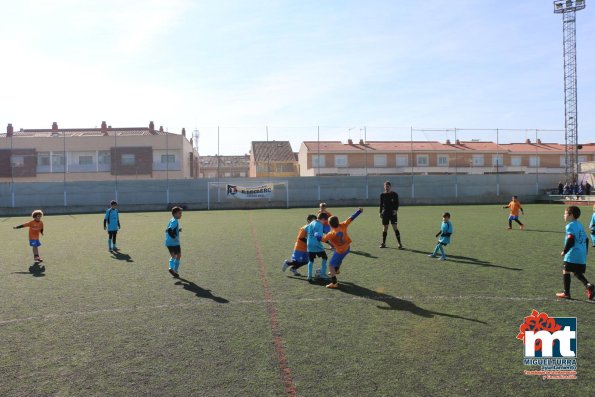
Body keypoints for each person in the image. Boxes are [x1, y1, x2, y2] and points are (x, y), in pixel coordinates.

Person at [556, 206, 594, 300]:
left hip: (572, 253)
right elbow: (586, 239)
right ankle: (589, 286)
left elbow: (571, 239)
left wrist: (565, 251)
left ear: (571, 215)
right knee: (576, 271)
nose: (563, 215)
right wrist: (585, 252)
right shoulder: (579, 224)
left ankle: (567, 293)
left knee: (566, 270)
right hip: (581, 252)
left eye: (565, 213)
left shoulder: (570, 226)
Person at [321, 208, 363, 289]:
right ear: (338, 221)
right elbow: (351, 218)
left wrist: (317, 235)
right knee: (339, 259)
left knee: (330, 265)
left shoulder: (331, 233)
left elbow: (323, 239)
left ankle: (334, 283)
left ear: (329, 224)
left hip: (340, 251)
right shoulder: (343, 225)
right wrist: (359, 211)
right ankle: (337, 269)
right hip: (347, 248)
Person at [305, 212, 330, 282]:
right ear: (322, 219)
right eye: (325, 220)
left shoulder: (312, 222)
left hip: (309, 243)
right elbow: (318, 237)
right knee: (325, 257)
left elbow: (307, 230)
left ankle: (309, 276)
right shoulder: (320, 224)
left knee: (311, 260)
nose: (325, 222)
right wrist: (326, 240)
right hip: (316, 244)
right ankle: (322, 274)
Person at [379, 181, 403, 249]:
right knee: (385, 228)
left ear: (390, 187)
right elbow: (381, 204)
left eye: (388, 186)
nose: (386, 188)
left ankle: (399, 243)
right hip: (385, 213)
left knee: (395, 227)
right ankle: (383, 243)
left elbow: (397, 203)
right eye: (385, 186)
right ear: (384, 187)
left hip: (393, 213)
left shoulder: (394, 194)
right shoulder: (382, 195)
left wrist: (396, 210)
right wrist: (380, 212)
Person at [165, 206, 183, 278]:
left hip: (168, 242)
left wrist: (178, 230)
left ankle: (170, 268)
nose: (181, 215)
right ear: (175, 214)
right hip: (174, 242)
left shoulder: (172, 220)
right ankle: (175, 270)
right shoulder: (175, 221)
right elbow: (169, 230)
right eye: (179, 213)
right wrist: (174, 237)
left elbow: (167, 230)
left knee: (173, 256)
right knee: (178, 255)